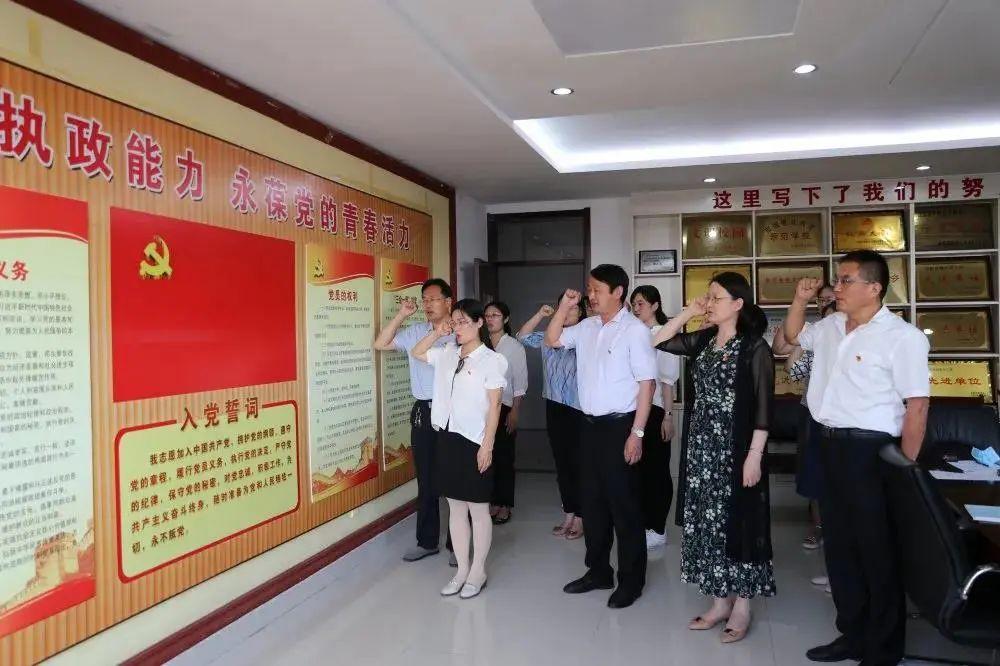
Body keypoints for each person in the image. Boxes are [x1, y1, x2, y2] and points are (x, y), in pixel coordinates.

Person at [784, 251, 929, 666]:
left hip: (872, 451)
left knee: (877, 551)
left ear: (874, 288)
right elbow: (792, 337)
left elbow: (917, 407)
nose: (838, 287)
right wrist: (799, 300)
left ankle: (883, 649)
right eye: (838, 279)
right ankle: (852, 633)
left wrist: (906, 472)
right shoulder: (830, 326)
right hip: (828, 443)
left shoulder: (903, 337)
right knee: (840, 548)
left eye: (846, 280)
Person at [652, 272, 775, 644]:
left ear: (737, 304)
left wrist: (754, 456)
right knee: (708, 524)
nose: (709, 303)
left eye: (716, 297)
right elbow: (658, 340)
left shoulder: (754, 348)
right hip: (702, 449)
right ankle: (720, 601)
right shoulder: (704, 339)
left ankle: (743, 606)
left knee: (741, 523)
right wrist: (689, 312)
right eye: (708, 297)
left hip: (737, 449)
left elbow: (763, 410)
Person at [545, 264, 657, 609]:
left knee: (624, 506)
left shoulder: (635, 331)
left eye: (597, 290)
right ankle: (598, 571)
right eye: (589, 289)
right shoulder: (586, 327)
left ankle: (631, 580)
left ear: (618, 292)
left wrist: (637, 433)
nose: (591, 296)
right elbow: (552, 339)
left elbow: (647, 385)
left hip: (621, 427)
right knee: (592, 503)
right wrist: (564, 307)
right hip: (588, 426)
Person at [411, 299, 507, 599]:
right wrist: (437, 332)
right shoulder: (447, 353)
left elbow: (495, 406)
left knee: (478, 509)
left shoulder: (492, 360)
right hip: (447, 437)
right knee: (455, 507)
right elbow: (417, 352)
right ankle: (461, 570)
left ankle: (478, 571)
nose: (458, 327)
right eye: (455, 321)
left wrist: (487, 445)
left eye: (464, 321)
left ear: (479, 323)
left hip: (475, 440)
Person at [373, 278, 453, 562]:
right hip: (424, 410)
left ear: (448, 302)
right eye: (424, 300)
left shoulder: (459, 331)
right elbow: (380, 344)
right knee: (426, 479)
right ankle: (427, 541)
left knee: (455, 479)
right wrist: (401, 315)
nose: (428, 304)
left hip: (453, 411)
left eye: (433, 299)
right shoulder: (416, 331)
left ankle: (457, 545)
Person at [772, 283, 836, 592]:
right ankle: (820, 531)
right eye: (821, 300)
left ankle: (841, 566)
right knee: (815, 480)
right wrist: (798, 317)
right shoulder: (815, 332)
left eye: (830, 298)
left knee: (837, 490)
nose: (825, 303)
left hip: (843, 423)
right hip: (812, 415)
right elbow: (787, 359)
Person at [517, 294, 586, 539]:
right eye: (564, 308)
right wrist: (540, 315)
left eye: (573, 308)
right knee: (562, 463)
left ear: (581, 312)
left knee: (580, 464)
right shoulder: (548, 337)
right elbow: (522, 336)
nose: (567, 312)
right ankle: (569, 513)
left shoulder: (585, 335)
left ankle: (581, 517)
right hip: (554, 407)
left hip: (580, 409)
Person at [629, 285, 680, 549]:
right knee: (637, 472)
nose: (636, 308)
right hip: (633, 410)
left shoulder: (663, 333)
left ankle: (658, 528)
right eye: (633, 304)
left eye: (641, 303)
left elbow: (667, 382)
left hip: (657, 409)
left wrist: (668, 417)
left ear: (655, 305)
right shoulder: (632, 332)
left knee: (657, 471)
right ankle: (642, 523)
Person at [484, 301, 528, 525]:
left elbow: (520, 383)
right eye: (487, 315)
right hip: (482, 408)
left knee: (504, 456)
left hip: (505, 407)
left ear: (506, 319)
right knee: (487, 457)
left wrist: (515, 412)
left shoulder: (514, 347)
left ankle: (504, 504)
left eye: (495, 315)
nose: (490, 319)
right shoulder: (480, 344)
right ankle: (491, 501)